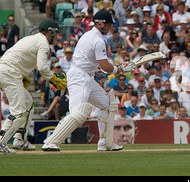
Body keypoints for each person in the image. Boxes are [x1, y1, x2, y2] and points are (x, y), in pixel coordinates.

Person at [42, 11, 137, 152]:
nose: (110, 28)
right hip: (80, 78)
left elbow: (87, 61)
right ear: (100, 23)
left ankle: (104, 142)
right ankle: (51, 142)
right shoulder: (98, 40)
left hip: (86, 75)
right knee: (77, 113)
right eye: (108, 25)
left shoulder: (88, 35)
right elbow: (105, 65)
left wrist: (97, 73)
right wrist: (119, 69)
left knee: (106, 104)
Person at [0, 19, 67, 154]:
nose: (55, 38)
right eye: (55, 34)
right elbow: (42, 68)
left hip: (7, 70)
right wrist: (53, 78)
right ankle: (1, 142)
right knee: (19, 112)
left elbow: (15, 55)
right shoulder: (43, 43)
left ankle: (20, 139)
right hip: (10, 73)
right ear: (50, 32)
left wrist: (22, 74)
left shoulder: (30, 39)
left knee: (28, 103)